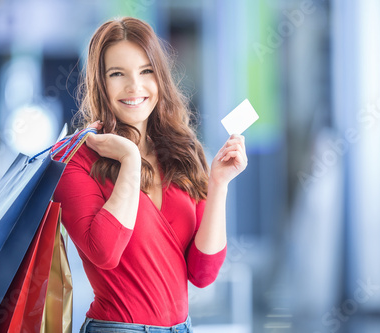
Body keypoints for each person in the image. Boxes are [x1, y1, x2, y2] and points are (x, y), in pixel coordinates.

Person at [53, 16, 248, 333]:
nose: (135, 86)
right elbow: (104, 252)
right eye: (118, 74)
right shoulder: (75, 159)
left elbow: (202, 273)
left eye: (147, 71)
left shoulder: (183, 151)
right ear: (99, 82)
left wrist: (219, 184)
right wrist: (129, 158)